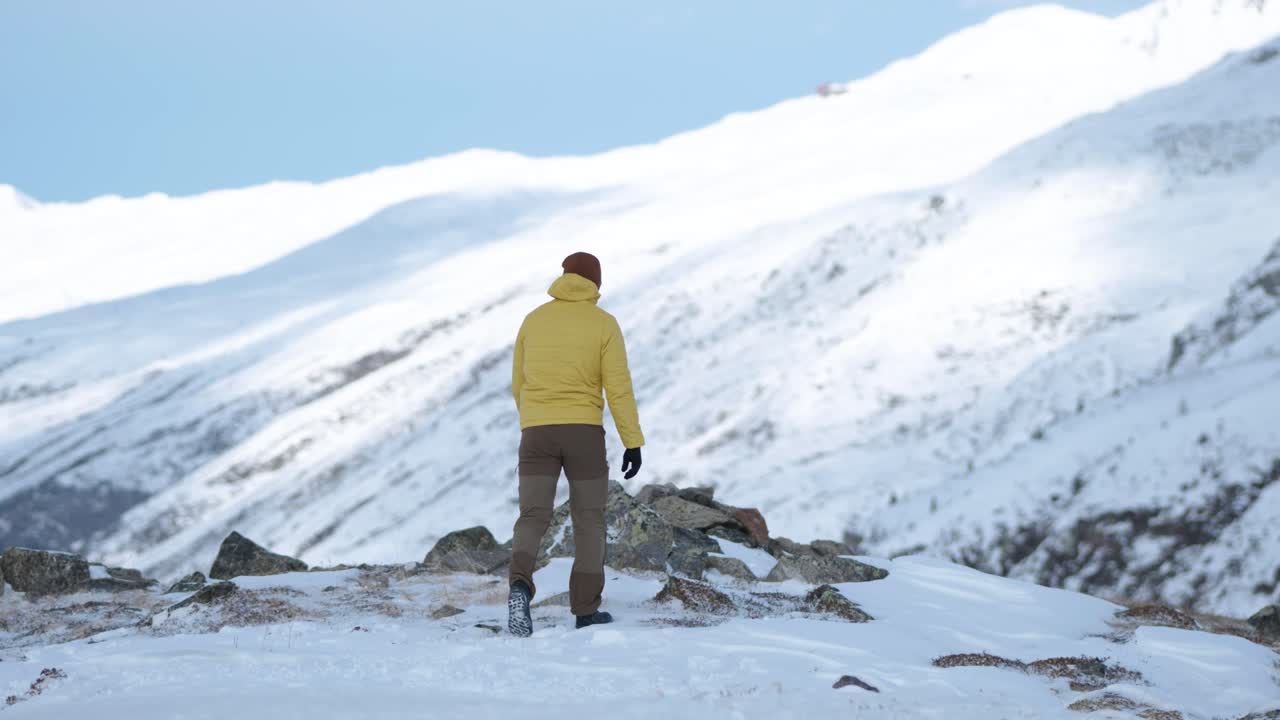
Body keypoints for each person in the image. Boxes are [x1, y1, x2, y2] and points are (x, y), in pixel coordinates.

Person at [506, 251, 646, 637]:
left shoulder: (533, 321)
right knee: (589, 519)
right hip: (583, 433)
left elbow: (518, 381)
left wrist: (533, 419)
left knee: (533, 514)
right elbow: (618, 388)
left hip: (536, 433)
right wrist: (631, 441)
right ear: (595, 284)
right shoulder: (603, 324)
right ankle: (585, 609)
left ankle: (520, 585)